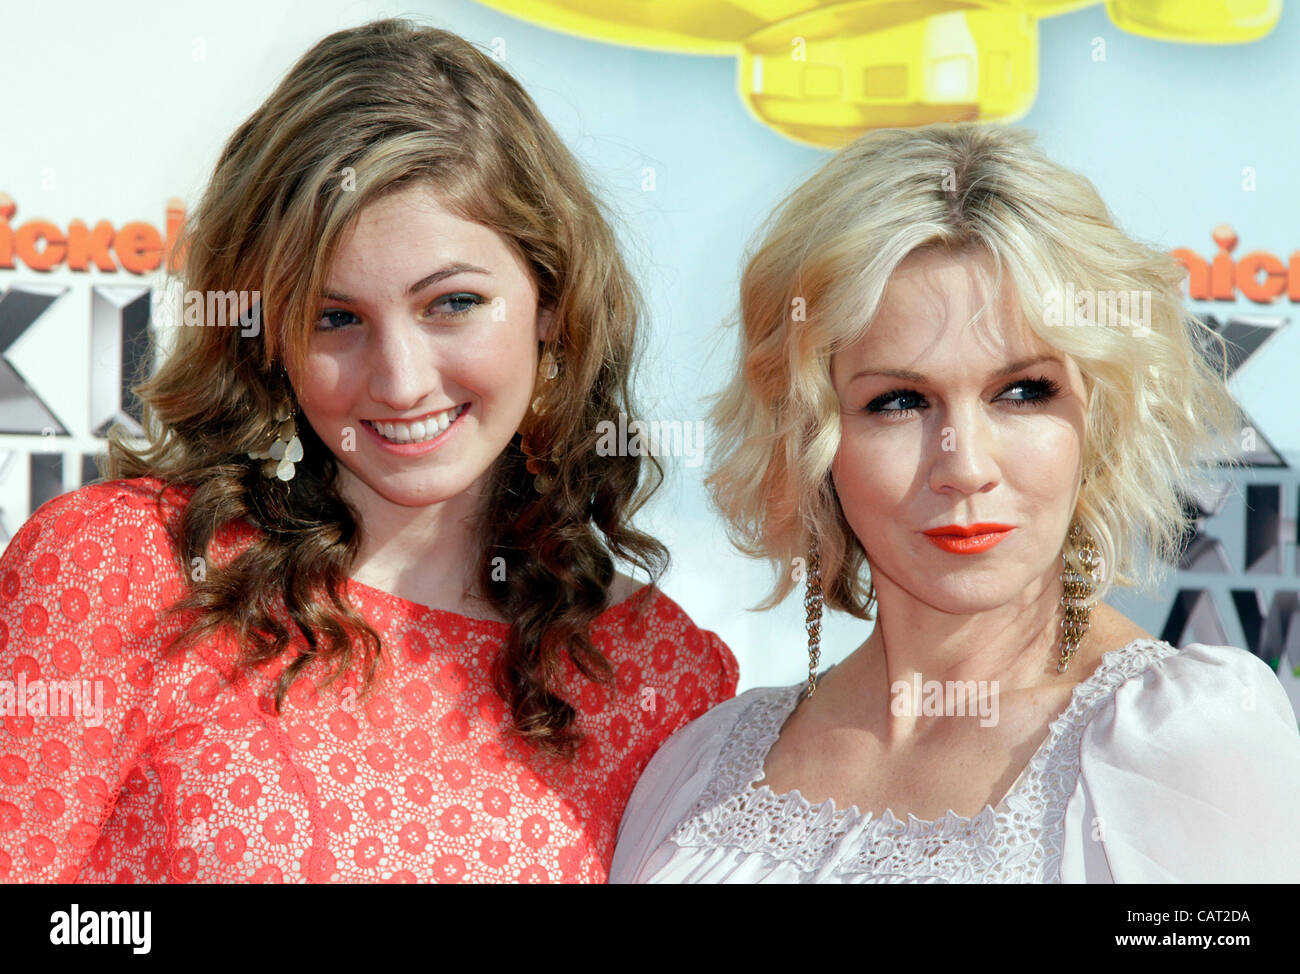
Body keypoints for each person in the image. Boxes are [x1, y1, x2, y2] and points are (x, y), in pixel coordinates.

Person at [0, 18, 737, 884]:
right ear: (266, 334)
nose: (399, 380)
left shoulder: (661, 675)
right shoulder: (121, 572)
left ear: (551, 302)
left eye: (452, 304)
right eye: (335, 317)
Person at [609, 122, 1300, 883]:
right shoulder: (697, 771)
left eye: (1023, 392)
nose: (964, 466)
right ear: (809, 433)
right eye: (900, 401)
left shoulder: (1183, 744)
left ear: (1096, 417)